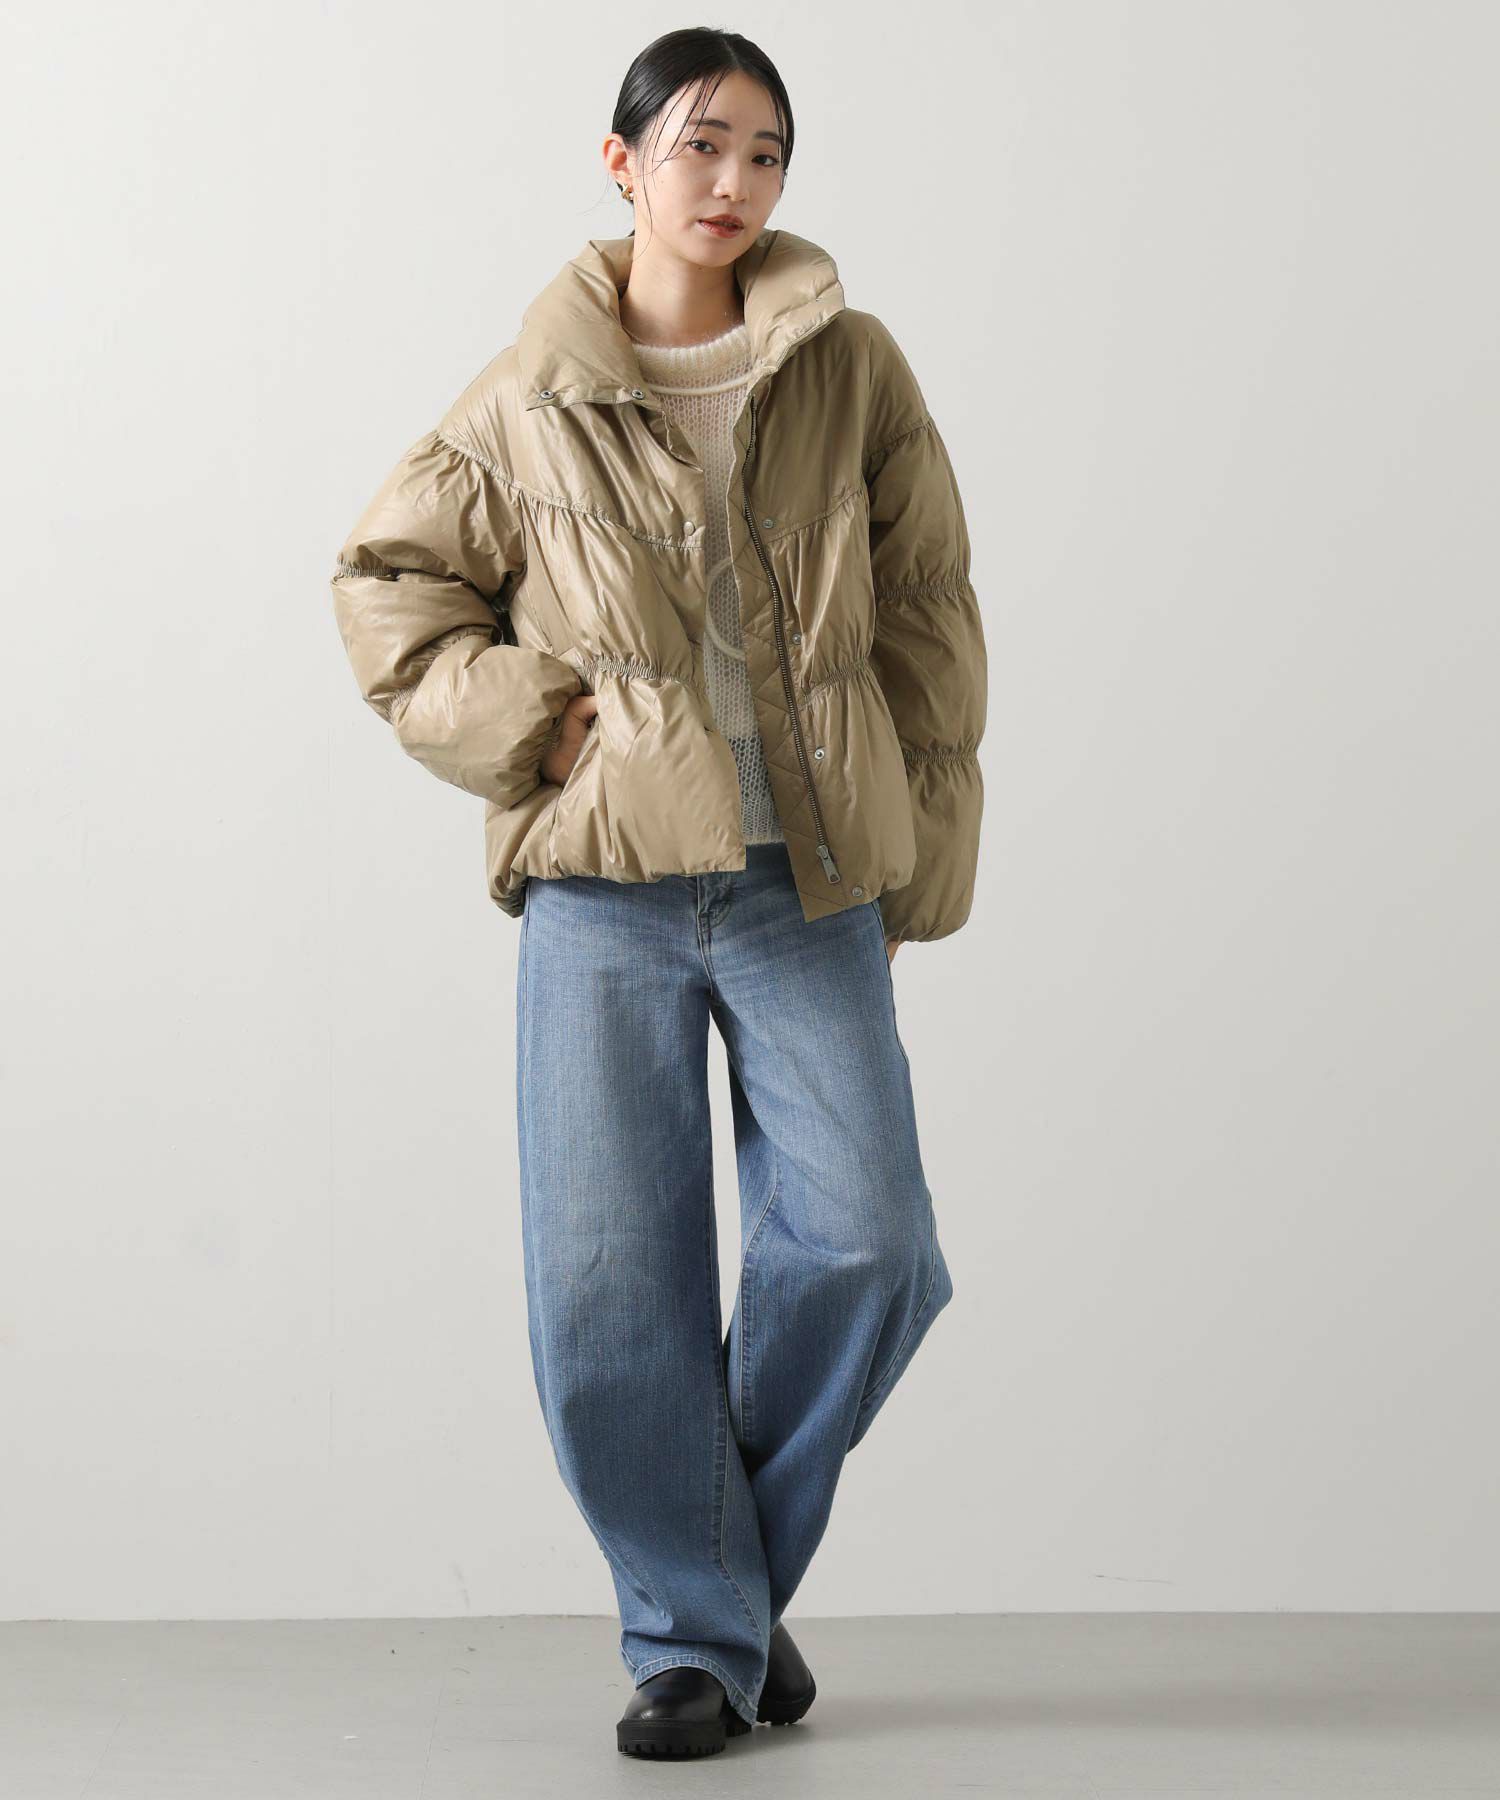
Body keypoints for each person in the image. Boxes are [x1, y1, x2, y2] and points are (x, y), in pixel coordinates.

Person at [330, 27, 987, 1761]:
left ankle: (713, 1596)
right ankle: (701, 1634)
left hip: (804, 881)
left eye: (766, 152)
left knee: (871, 1240)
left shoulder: (851, 366)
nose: (734, 181)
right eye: (701, 143)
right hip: (604, 890)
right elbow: (390, 587)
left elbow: (929, 605)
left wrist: (918, 831)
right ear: (620, 161)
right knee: (608, 1292)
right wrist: (543, 730)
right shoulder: (528, 390)